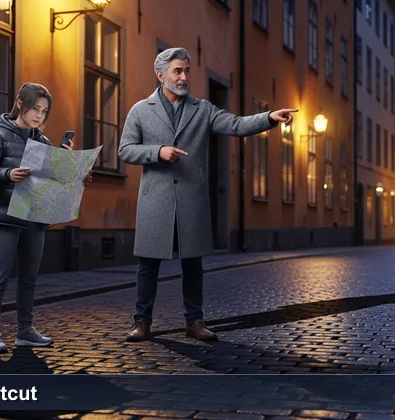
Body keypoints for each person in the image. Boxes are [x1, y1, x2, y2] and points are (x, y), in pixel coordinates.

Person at [118, 47, 296, 342]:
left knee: (193, 264)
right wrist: (157, 152)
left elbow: (237, 125)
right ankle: (141, 322)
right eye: (178, 71)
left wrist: (269, 118)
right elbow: (125, 150)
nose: (184, 76)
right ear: (161, 74)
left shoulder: (202, 109)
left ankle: (194, 322)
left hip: (190, 198)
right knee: (148, 264)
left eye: (187, 70)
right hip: (155, 200)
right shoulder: (140, 110)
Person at [0, 82, 92, 354]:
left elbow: (51, 182)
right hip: (4, 215)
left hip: (34, 217)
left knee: (29, 278)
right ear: (19, 104)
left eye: (44, 111)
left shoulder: (44, 142)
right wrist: (7, 175)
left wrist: (76, 175)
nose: (39, 115)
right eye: (34, 108)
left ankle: (25, 331)